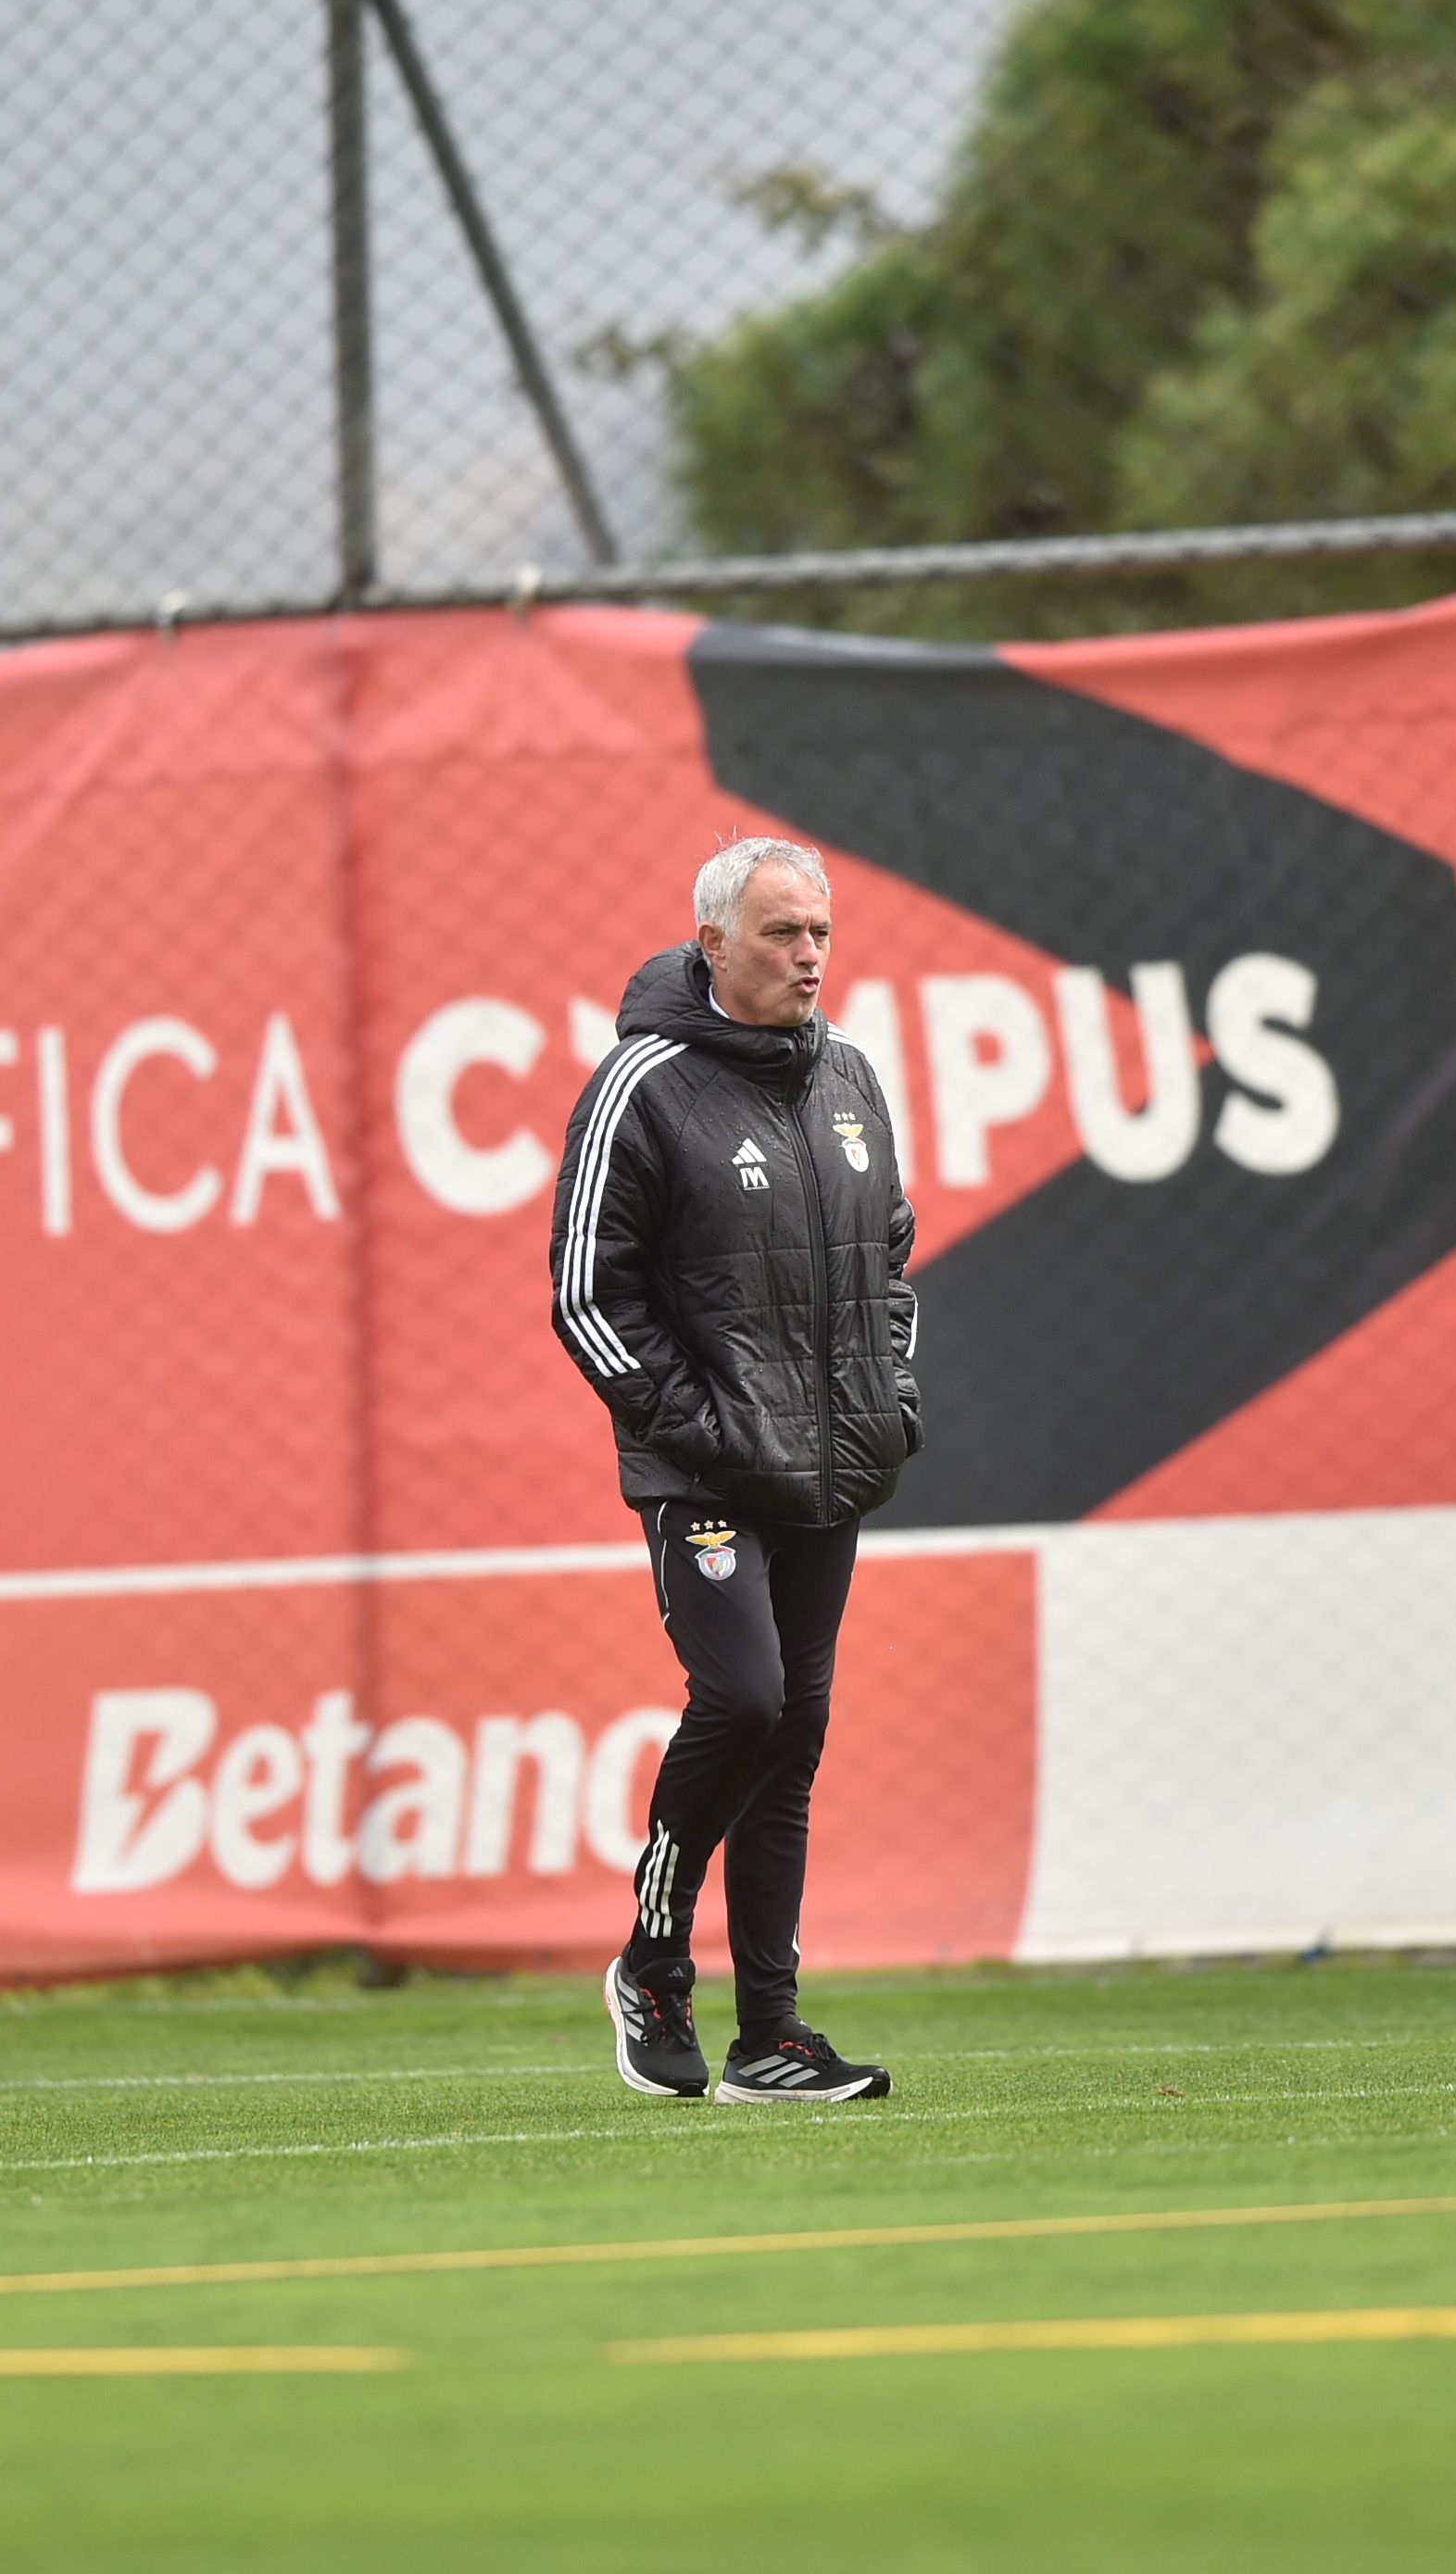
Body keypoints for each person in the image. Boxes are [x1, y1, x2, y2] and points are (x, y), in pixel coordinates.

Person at [549, 836, 919, 2101]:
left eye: (819, 931)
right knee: (747, 1699)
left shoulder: (853, 1076)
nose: (809, 955)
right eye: (781, 934)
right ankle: (655, 1959)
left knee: (795, 1738)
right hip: (704, 1473)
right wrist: (697, 1431)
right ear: (714, 943)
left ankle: (772, 2035)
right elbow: (585, 1297)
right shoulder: (639, 1085)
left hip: (830, 1468)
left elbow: (890, 1265)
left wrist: (892, 1399)